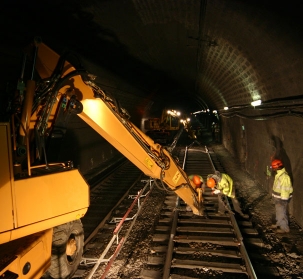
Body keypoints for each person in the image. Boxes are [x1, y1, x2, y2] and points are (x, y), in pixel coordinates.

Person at [270, 159, 293, 233]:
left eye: (273, 167)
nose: (273, 169)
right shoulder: (279, 174)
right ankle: (278, 223)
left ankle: (284, 228)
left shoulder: (284, 177)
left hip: (281, 199)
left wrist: (283, 200)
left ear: (277, 167)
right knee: (278, 211)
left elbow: (285, 190)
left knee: (282, 212)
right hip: (277, 198)